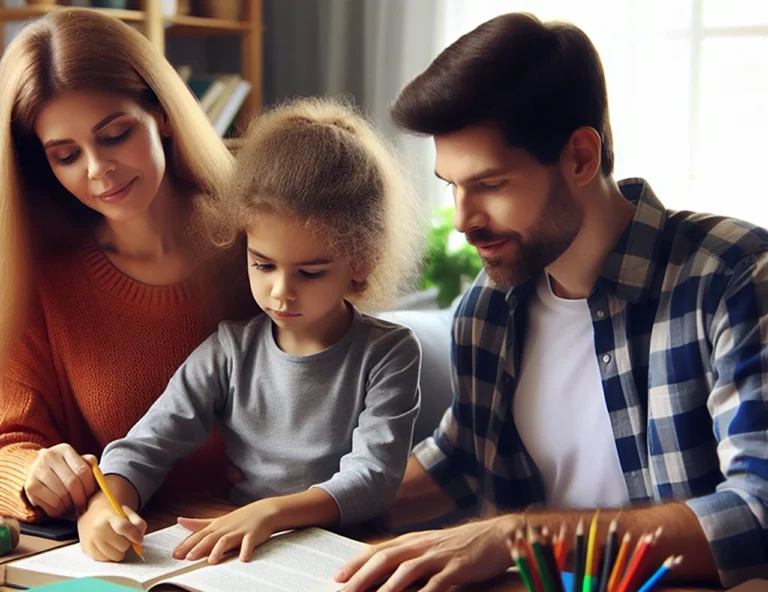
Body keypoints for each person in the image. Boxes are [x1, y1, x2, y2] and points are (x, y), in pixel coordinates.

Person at [336, 12, 768, 592]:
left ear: (581, 158)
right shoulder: (487, 309)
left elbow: (758, 510)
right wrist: (303, 509)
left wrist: (520, 536)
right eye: (451, 185)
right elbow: (461, 459)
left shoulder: (734, 278)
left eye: (490, 185)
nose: (463, 219)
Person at [77, 97, 428, 564]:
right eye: (263, 264)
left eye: (311, 272)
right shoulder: (228, 351)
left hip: (349, 554)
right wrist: (108, 505)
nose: (281, 292)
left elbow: (373, 479)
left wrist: (270, 513)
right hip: (245, 553)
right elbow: (148, 443)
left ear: (362, 260)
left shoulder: (388, 353)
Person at [0, 9, 257, 523]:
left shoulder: (255, 239)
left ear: (161, 113)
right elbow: (11, 441)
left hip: (289, 543)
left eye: (115, 134)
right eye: (66, 154)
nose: (98, 170)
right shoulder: (42, 277)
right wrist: (34, 475)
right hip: (138, 557)